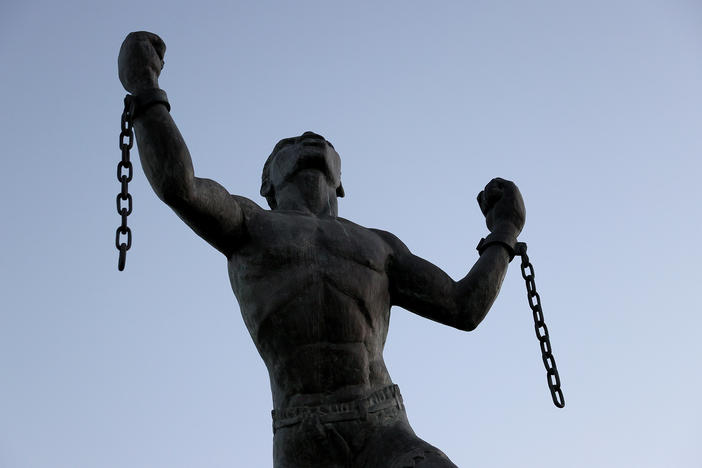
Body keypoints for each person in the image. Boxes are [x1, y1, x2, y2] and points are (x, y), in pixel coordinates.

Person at [118, 31, 526, 468]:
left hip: (384, 422)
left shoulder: (380, 246)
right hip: (302, 428)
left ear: (341, 181)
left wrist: (504, 230)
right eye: (288, 145)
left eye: (324, 144)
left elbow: (463, 307)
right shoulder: (249, 223)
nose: (309, 139)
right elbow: (180, 186)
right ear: (266, 183)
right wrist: (145, 90)